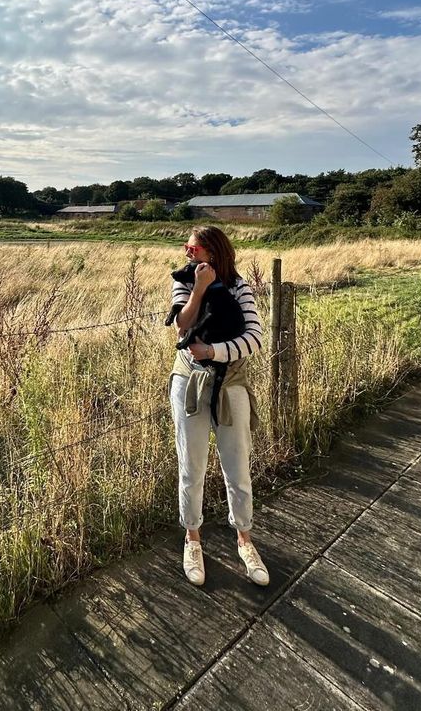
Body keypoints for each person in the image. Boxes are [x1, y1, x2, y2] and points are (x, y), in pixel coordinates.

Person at [168, 225, 269, 587]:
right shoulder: (183, 279)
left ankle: (245, 539)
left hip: (232, 382)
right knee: (191, 466)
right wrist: (196, 288)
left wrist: (214, 351)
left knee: (237, 466)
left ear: (213, 251)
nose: (187, 253)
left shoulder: (239, 285)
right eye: (186, 248)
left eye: (193, 248)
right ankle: (192, 538)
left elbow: (254, 338)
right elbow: (182, 325)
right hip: (189, 382)